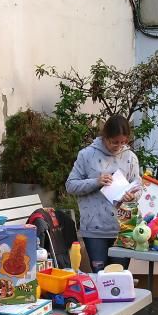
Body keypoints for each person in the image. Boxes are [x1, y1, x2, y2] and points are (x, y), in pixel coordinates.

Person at [65, 115, 140, 272]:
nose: (118, 146)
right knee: (100, 277)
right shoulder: (87, 155)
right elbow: (70, 186)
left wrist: (132, 195)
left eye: (123, 142)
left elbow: (138, 186)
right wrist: (96, 182)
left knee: (119, 278)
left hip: (123, 228)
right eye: (114, 142)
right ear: (105, 137)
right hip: (95, 228)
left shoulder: (130, 157)